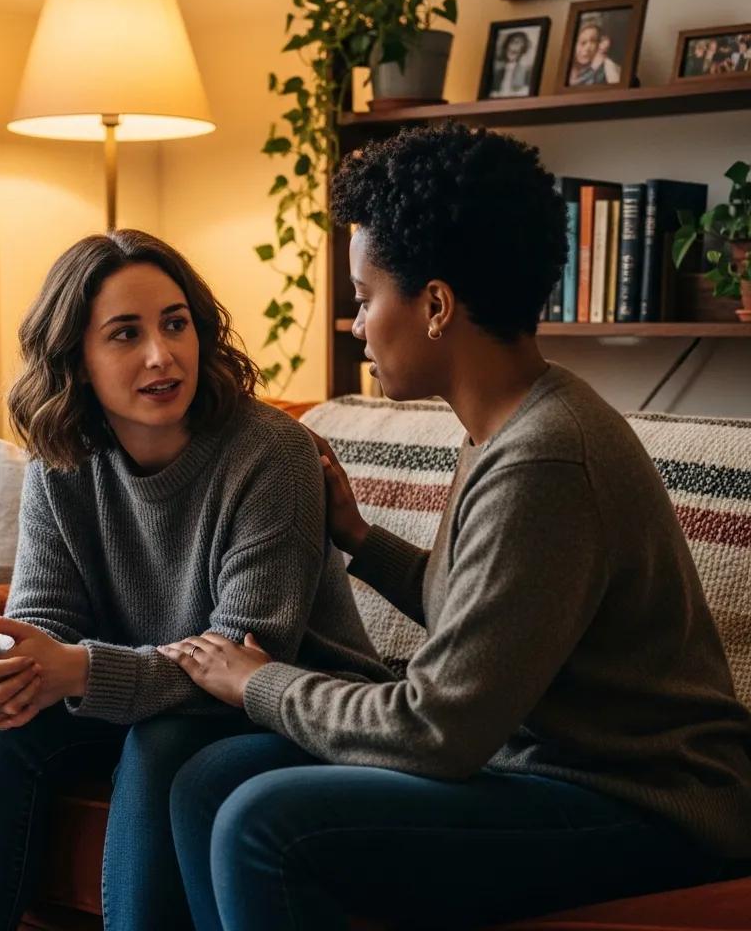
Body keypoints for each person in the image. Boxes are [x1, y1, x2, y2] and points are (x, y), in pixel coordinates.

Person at [159, 124, 751, 931]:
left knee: (263, 822)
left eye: (365, 298)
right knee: (208, 776)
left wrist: (255, 681)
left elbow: (437, 731)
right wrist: (360, 541)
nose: (356, 325)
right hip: (538, 763)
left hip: (642, 807)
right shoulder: (508, 424)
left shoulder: (544, 461)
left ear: (436, 305)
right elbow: (491, 621)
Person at [0, 229, 391, 931]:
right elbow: (45, 616)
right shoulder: (62, 458)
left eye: (175, 324)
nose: (162, 355)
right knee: (0, 725)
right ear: (77, 360)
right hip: (147, 688)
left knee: (166, 739)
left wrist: (81, 669)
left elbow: (246, 656)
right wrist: (14, 667)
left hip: (289, 702)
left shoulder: (272, 454)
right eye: (125, 334)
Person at [490, 30, 533, 98]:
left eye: (519, 43)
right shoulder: (497, 71)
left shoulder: (527, 72)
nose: (515, 45)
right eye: (513, 41)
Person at [569, 18, 612, 85]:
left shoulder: (604, 67)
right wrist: (593, 69)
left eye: (593, 41)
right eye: (583, 42)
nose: (588, 48)